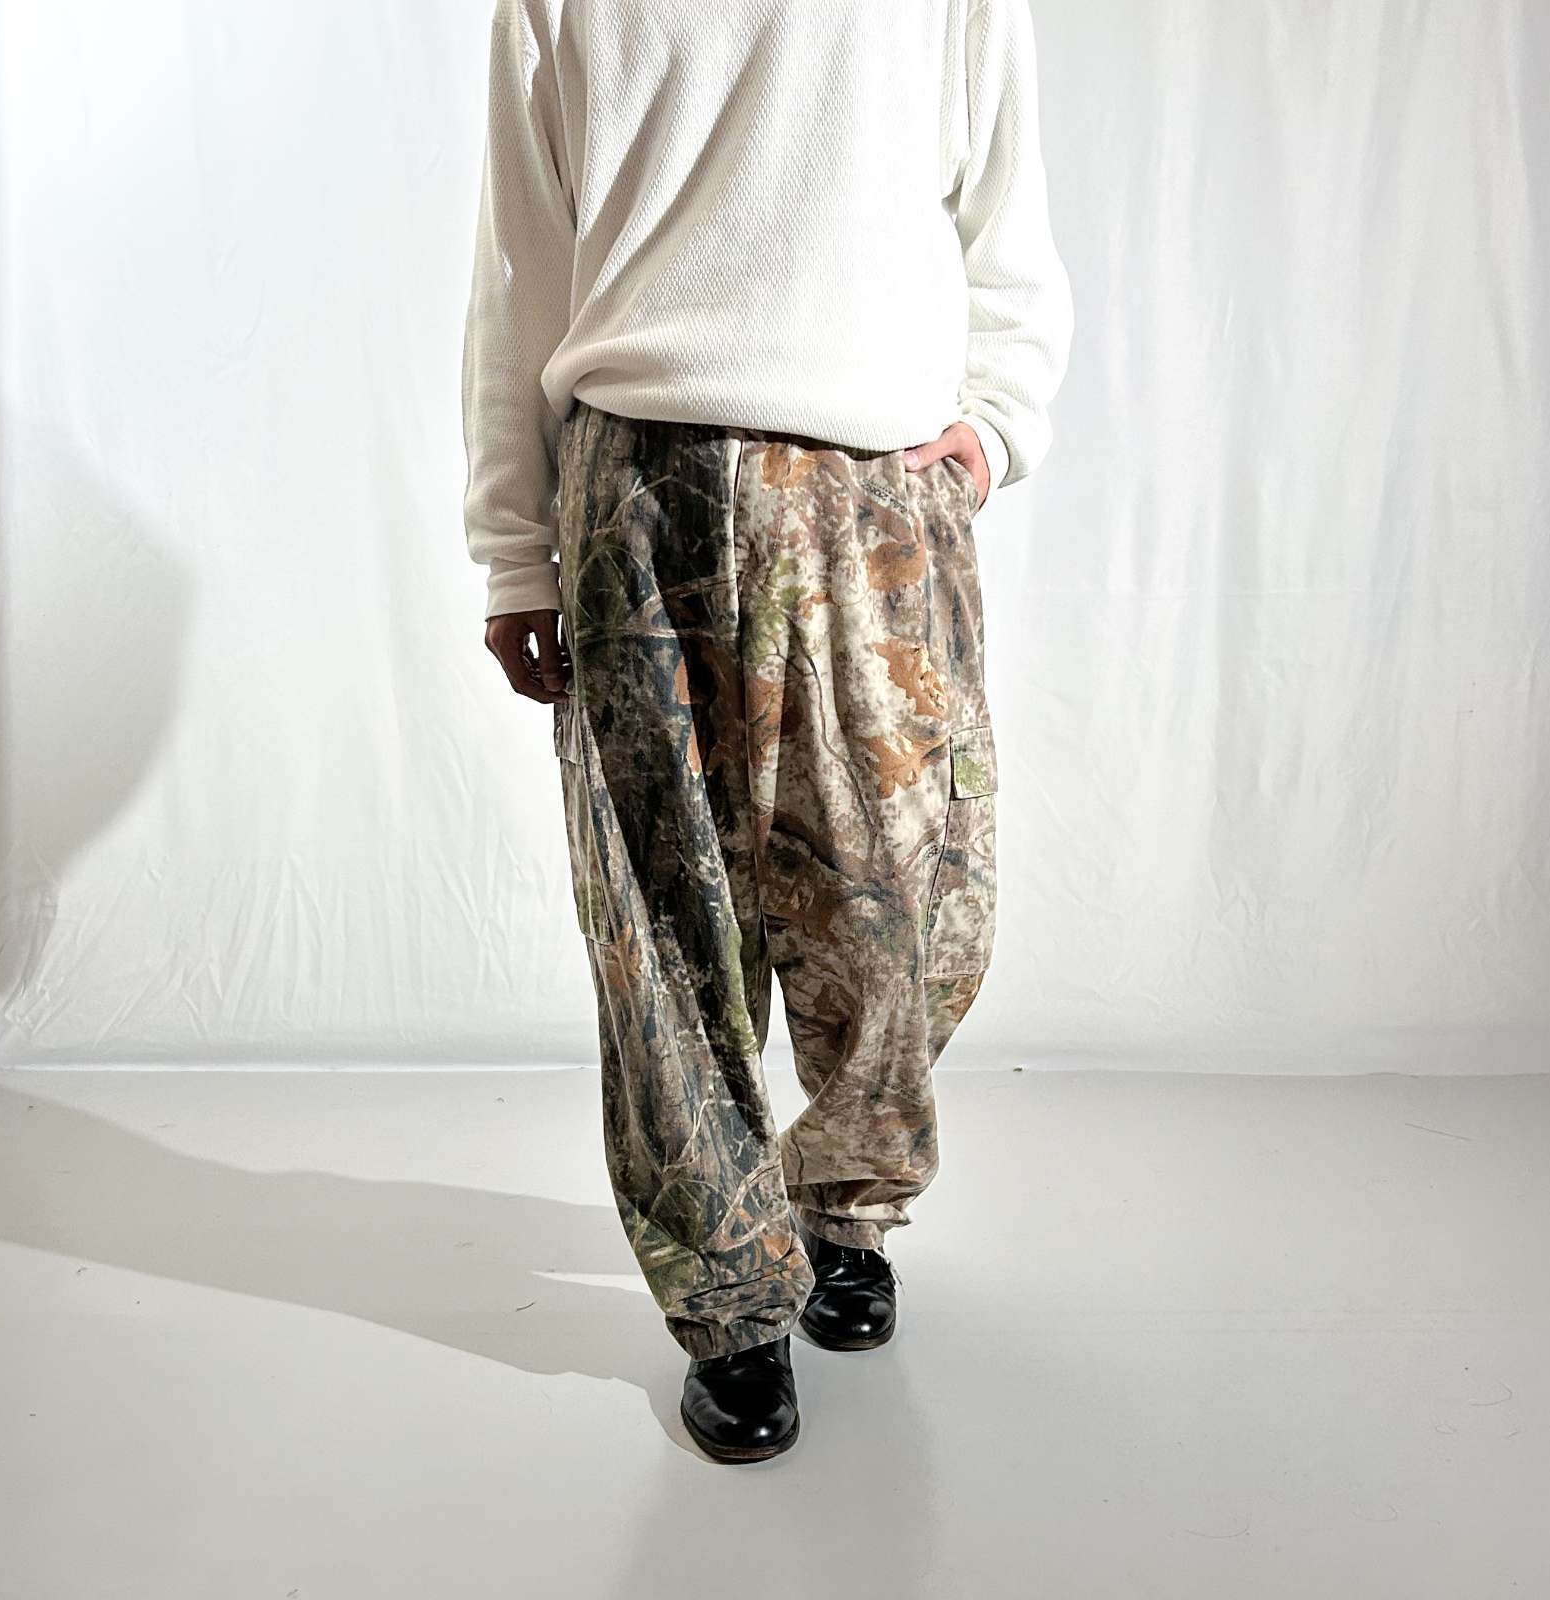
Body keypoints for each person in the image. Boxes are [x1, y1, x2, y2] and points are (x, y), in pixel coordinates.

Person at [460, 0, 1073, 1463]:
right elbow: (521, 268)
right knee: (664, 930)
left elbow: (1008, 214)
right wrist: (514, 545)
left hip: (876, 493)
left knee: (906, 908)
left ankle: (845, 1203)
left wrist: (997, 419)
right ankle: (731, 1298)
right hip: (635, 483)